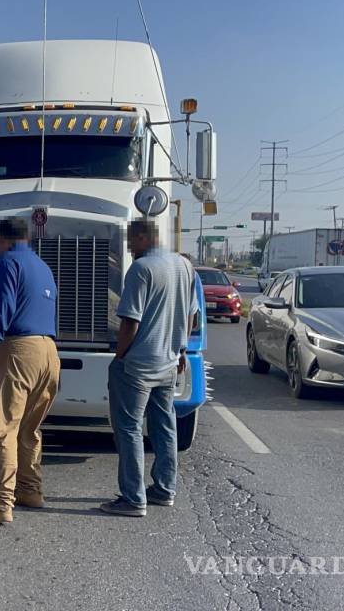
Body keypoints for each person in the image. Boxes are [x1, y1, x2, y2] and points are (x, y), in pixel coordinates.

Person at [101, 219, 199, 517]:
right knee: (164, 425)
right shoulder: (184, 267)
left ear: (144, 237)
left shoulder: (141, 269)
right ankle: (165, 489)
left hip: (139, 365)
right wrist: (181, 348)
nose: (130, 248)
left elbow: (131, 320)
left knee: (129, 428)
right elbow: (191, 314)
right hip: (169, 362)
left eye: (132, 241)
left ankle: (133, 498)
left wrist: (119, 355)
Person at [0, 217, 60, 524]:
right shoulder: (42, 267)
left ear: (4, 239)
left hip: (18, 351)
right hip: (48, 352)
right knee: (29, 428)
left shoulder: (8, 262)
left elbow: (3, 303)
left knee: (1, 429)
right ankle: (30, 489)